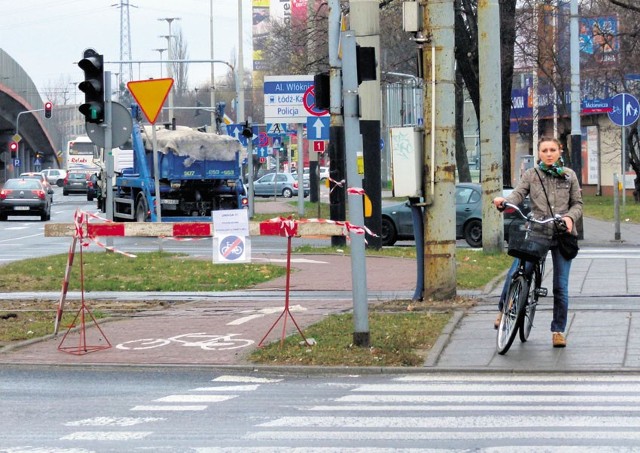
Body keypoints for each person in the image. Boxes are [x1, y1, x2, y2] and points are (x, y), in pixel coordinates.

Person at [493, 136, 583, 348]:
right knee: (517, 270)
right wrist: (504, 202)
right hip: (538, 232)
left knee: (560, 286)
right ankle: (504, 310)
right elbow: (517, 195)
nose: (549, 154)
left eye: (553, 149)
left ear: (560, 151)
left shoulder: (569, 176)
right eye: (545, 150)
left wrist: (570, 217)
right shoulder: (531, 175)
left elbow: (577, 204)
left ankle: (558, 330)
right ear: (539, 153)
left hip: (562, 235)